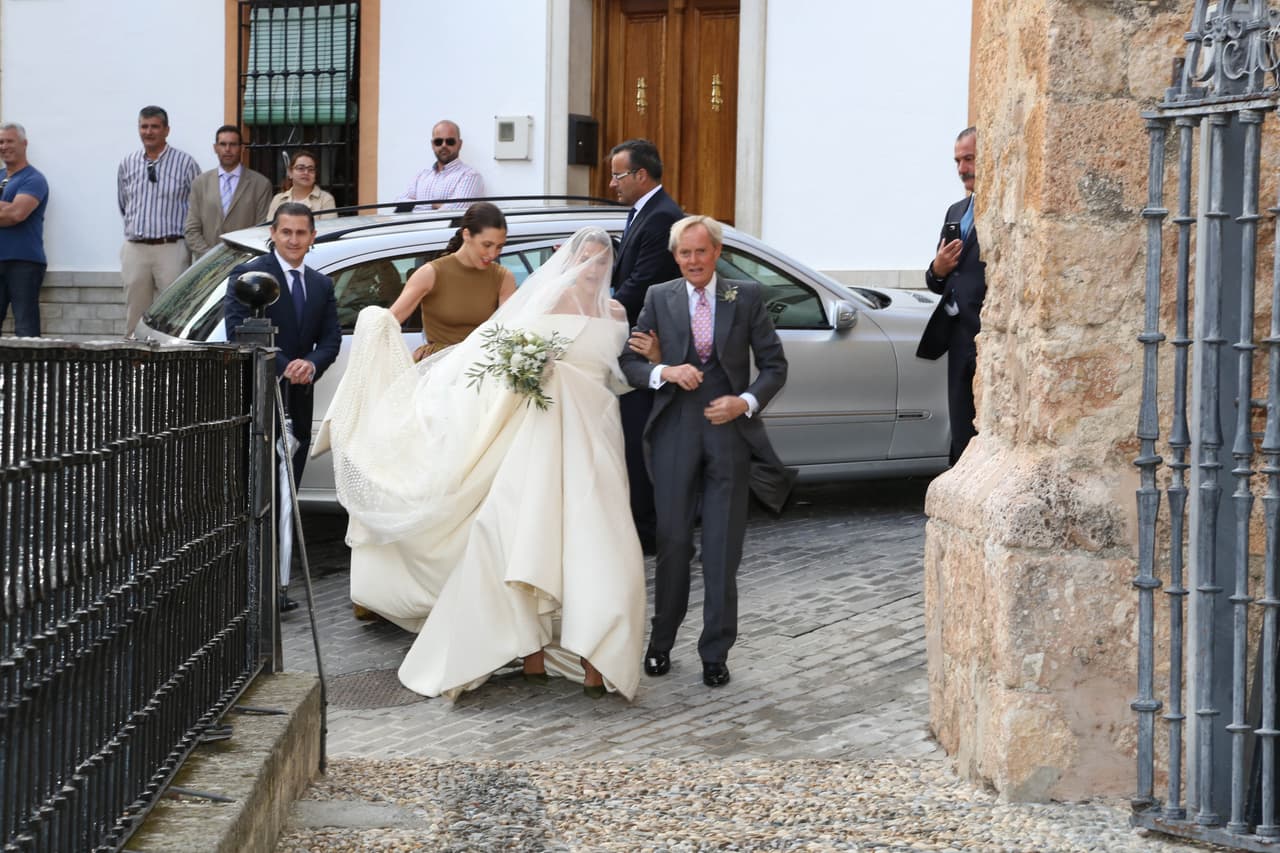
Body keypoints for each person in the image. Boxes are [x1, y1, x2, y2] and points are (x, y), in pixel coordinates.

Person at [314, 227, 645, 701]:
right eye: (585, 260)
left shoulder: (616, 312)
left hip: (597, 432)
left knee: (597, 537)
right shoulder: (547, 302)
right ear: (568, 260)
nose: (591, 269)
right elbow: (502, 357)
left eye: (600, 262)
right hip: (545, 431)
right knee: (523, 529)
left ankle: (597, 656)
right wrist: (529, 371)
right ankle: (529, 650)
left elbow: (617, 375)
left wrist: (650, 361)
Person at [619, 215, 787, 689]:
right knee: (672, 543)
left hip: (728, 437)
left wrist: (745, 402)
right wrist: (666, 371)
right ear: (676, 257)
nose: (693, 260)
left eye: (701, 251)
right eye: (684, 253)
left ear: (716, 252)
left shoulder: (745, 296)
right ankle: (661, 643)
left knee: (722, 551)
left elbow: (774, 366)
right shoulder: (659, 297)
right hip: (675, 431)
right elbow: (630, 361)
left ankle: (716, 652)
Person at [609, 138, 684, 555]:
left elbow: (641, 285)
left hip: (646, 345)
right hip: (632, 343)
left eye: (619, 175)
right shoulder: (642, 213)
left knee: (642, 441)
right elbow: (628, 270)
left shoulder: (662, 218)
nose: (612, 182)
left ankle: (651, 528)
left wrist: (597, 307)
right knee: (633, 438)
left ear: (641, 175)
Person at [916, 126, 985, 465]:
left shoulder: (1003, 211)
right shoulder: (955, 212)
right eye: (958, 161)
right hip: (959, 341)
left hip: (989, 337)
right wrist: (938, 268)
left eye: (969, 159)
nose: (962, 169)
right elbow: (938, 281)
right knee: (961, 425)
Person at [389, 201, 516, 362]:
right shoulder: (431, 273)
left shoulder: (503, 278)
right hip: (437, 369)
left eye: (499, 247)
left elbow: (510, 331)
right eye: (487, 245)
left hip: (483, 369)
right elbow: (389, 322)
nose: (492, 254)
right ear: (467, 235)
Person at [118, 105, 201, 336]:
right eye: (144, 126)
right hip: (136, 248)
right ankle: (134, 362)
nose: (149, 132)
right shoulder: (128, 163)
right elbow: (124, 204)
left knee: (175, 310)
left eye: (155, 126)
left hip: (171, 248)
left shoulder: (186, 163)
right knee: (135, 311)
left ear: (167, 130)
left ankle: (171, 360)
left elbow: (197, 205)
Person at [186, 125, 273, 260]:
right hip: (207, 264)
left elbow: (262, 229)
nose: (227, 149)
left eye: (233, 144)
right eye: (223, 144)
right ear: (215, 148)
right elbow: (192, 229)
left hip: (245, 262)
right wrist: (210, 258)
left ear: (242, 148)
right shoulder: (200, 183)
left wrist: (243, 257)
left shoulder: (261, 184)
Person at [0, 122, 49, 337]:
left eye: (9, 141)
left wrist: (10, 209)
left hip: (24, 262)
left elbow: (16, 215)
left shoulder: (33, 179)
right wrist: (7, 206)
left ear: (24, 144)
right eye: (1, 142)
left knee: (26, 328)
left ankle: (30, 371)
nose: (4, 146)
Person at [396, 120, 485, 212]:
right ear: (433, 145)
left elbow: (457, 210)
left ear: (459, 144)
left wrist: (415, 205)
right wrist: (434, 205)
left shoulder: (470, 175)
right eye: (438, 141)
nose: (443, 145)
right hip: (416, 226)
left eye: (450, 141)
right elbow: (399, 203)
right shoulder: (421, 176)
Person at [267, 150, 338, 221]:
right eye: (300, 168)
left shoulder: (325, 199)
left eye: (311, 169)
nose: (306, 172)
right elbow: (269, 228)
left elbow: (328, 229)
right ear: (290, 173)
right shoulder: (278, 199)